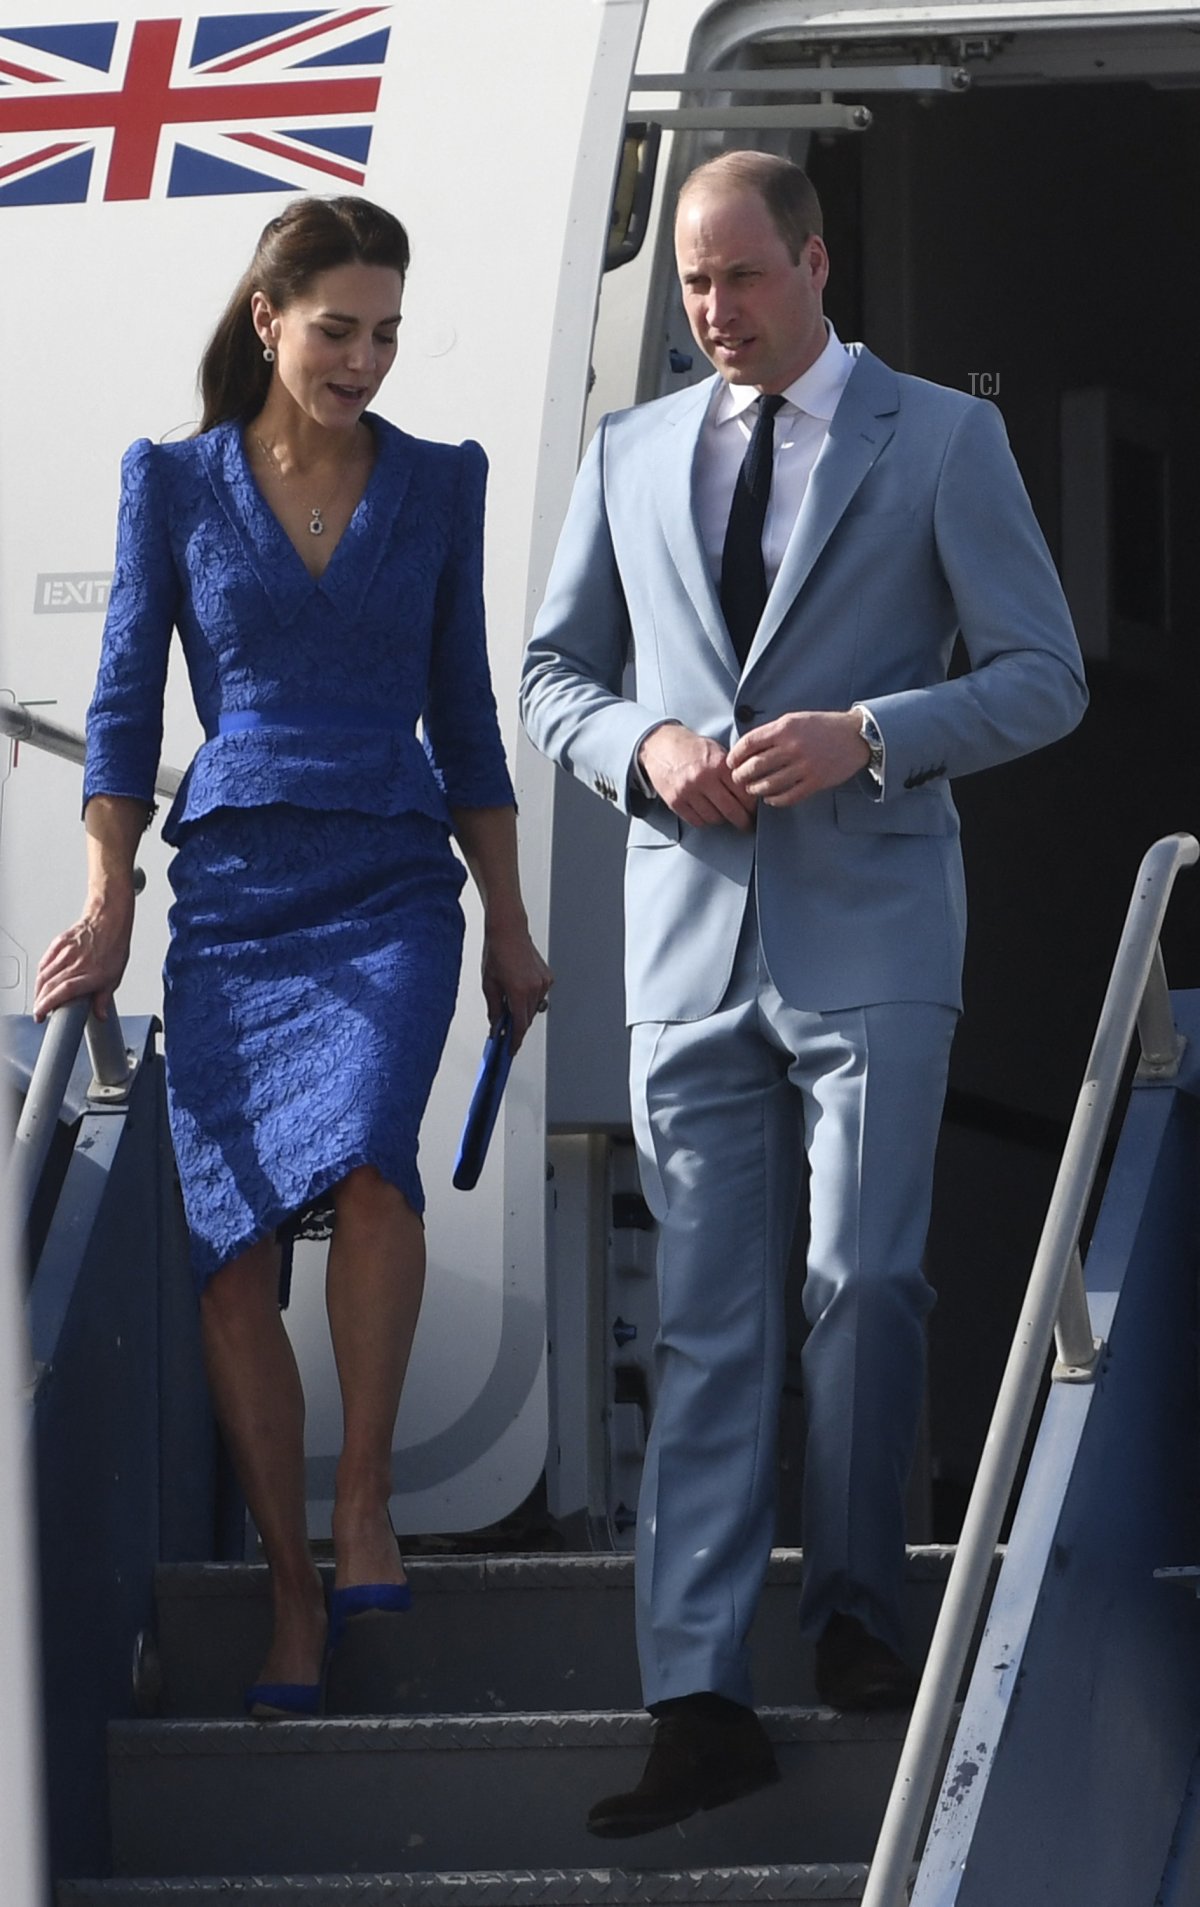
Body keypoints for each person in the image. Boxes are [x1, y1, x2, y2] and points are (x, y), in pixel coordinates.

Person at [520, 150, 1087, 1836]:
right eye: (692, 286)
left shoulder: (946, 437)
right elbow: (556, 674)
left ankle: (854, 1616)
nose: (712, 312)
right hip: (689, 948)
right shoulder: (626, 453)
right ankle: (697, 1696)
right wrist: (649, 746)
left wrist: (877, 737)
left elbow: (1044, 677)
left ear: (820, 265)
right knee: (703, 1331)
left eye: (741, 280)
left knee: (868, 1283)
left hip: (878, 937)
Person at [34, 195, 551, 1719]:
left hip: (393, 876)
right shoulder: (175, 482)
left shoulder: (441, 483)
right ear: (268, 315)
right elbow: (125, 707)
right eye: (341, 331)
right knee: (230, 1260)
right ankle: (286, 1594)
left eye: (388, 335)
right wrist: (111, 896)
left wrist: (509, 920)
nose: (367, 361)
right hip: (240, 894)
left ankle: (365, 1498)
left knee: (379, 1162)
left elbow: (466, 716)